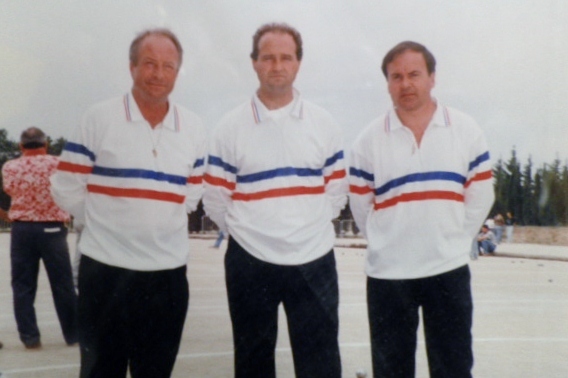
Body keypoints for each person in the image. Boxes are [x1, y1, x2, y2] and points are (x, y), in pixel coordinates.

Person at [50, 28, 206, 377]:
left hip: (167, 278)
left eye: (169, 66)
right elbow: (66, 188)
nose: (159, 74)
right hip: (105, 273)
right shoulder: (98, 118)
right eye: (149, 64)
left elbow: (191, 195)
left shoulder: (194, 128)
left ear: (178, 73)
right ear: (132, 67)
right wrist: (111, 221)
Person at [203, 22, 347, 378]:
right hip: (250, 260)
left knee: (320, 362)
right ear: (254, 63)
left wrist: (303, 226)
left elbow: (336, 192)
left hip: (313, 258)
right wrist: (251, 232)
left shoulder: (323, 123)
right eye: (268, 58)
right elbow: (215, 199)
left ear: (298, 63)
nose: (277, 65)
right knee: (253, 360)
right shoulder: (229, 126)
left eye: (286, 58)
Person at [349, 41, 495, 377]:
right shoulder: (367, 141)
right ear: (387, 83)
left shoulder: (466, 130)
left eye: (414, 74)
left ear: (432, 77)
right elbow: (360, 207)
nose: (405, 84)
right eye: (396, 77)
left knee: (453, 368)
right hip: (388, 277)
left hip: (447, 271)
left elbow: (481, 197)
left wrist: (453, 243)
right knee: (391, 371)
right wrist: (389, 244)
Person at [2, 127, 78, 349]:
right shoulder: (58, 163)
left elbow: (10, 191)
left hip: (22, 230)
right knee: (62, 284)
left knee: (23, 285)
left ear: (21, 146)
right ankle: (73, 334)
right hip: (52, 229)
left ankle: (30, 337)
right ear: (45, 145)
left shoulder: (10, 166)